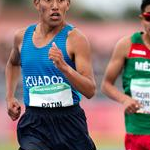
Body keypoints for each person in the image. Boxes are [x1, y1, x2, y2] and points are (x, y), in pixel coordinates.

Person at [5, 0, 96, 150]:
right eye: (48, 0)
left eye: (60, 0)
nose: (55, 6)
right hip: (34, 123)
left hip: (70, 122)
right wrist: (9, 97)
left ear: (68, 4)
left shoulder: (76, 39)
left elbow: (90, 90)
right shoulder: (22, 37)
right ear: (36, 3)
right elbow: (13, 63)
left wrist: (64, 67)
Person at [101, 0, 150, 149]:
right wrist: (124, 100)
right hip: (137, 131)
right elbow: (106, 85)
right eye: (149, 17)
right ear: (141, 18)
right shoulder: (126, 45)